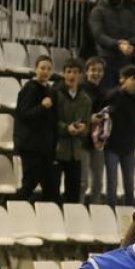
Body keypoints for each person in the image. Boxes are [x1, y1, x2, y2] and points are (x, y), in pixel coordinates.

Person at [105, 65, 135, 207]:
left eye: (127, 78)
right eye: (121, 78)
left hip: (130, 146)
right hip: (112, 145)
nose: (123, 81)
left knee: (129, 183)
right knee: (112, 182)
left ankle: (129, 210)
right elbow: (104, 107)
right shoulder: (114, 95)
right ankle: (111, 210)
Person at [16, 55, 61, 202]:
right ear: (36, 69)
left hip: (45, 147)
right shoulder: (29, 89)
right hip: (31, 146)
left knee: (51, 186)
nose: (45, 72)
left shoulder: (51, 91)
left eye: (48, 69)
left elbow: (53, 121)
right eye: (42, 68)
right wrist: (42, 107)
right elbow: (23, 114)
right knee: (29, 182)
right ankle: (16, 210)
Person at [56, 59, 93, 205]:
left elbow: (87, 125)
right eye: (69, 72)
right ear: (63, 74)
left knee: (73, 192)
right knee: (53, 190)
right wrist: (66, 128)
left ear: (81, 75)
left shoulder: (85, 99)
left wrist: (83, 129)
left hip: (76, 152)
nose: (72, 75)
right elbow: (51, 121)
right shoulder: (56, 94)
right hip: (58, 149)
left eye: (75, 72)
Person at [82, 57, 111, 205]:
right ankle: (77, 211)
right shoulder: (80, 90)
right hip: (82, 141)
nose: (96, 73)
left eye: (99, 70)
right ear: (87, 71)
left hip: (98, 142)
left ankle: (95, 211)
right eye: (93, 70)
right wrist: (89, 118)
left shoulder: (105, 93)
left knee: (98, 182)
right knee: (83, 182)